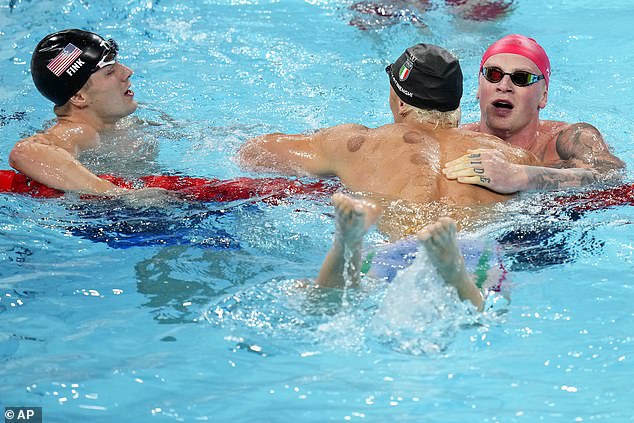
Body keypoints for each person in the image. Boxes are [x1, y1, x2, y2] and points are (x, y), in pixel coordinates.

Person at [239, 43, 539, 236]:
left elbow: (253, 154)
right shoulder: (511, 160)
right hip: (475, 257)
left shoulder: (355, 143)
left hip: (396, 257)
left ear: (400, 102)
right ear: (457, 106)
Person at [446, 34, 625, 194]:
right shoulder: (453, 139)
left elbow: (610, 175)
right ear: (478, 87)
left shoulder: (569, 138)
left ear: (543, 97)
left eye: (521, 78)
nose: (504, 86)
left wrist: (519, 176)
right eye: (493, 74)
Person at [8, 29, 143, 195]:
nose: (127, 72)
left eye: (117, 63)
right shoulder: (79, 132)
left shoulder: (122, 121)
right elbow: (23, 152)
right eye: (110, 72)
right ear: (79, 97)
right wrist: (117, 193)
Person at [315, 193, 488, 310]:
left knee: (327, 303)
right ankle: (454, 271)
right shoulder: (499, 152)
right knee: (481, 309)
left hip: (390, 249)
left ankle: (347, 244)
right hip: (468, 246)